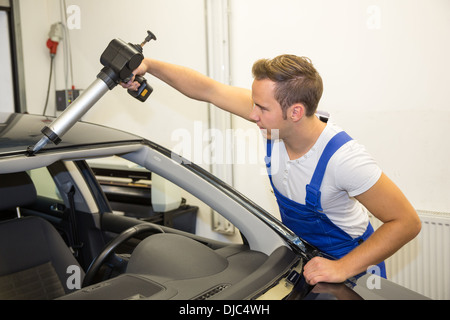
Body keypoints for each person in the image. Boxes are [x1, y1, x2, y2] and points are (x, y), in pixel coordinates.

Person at [122, 54, 421, 285]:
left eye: (262, 109)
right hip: (307, 257)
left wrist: (343, 268)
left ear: (296, 112)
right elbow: (209, 89)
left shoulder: (344, 159)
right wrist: (148, 65)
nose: (253, 115)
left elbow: (406, 222)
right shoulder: (274, 124)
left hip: (352, 266)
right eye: (254, 104)